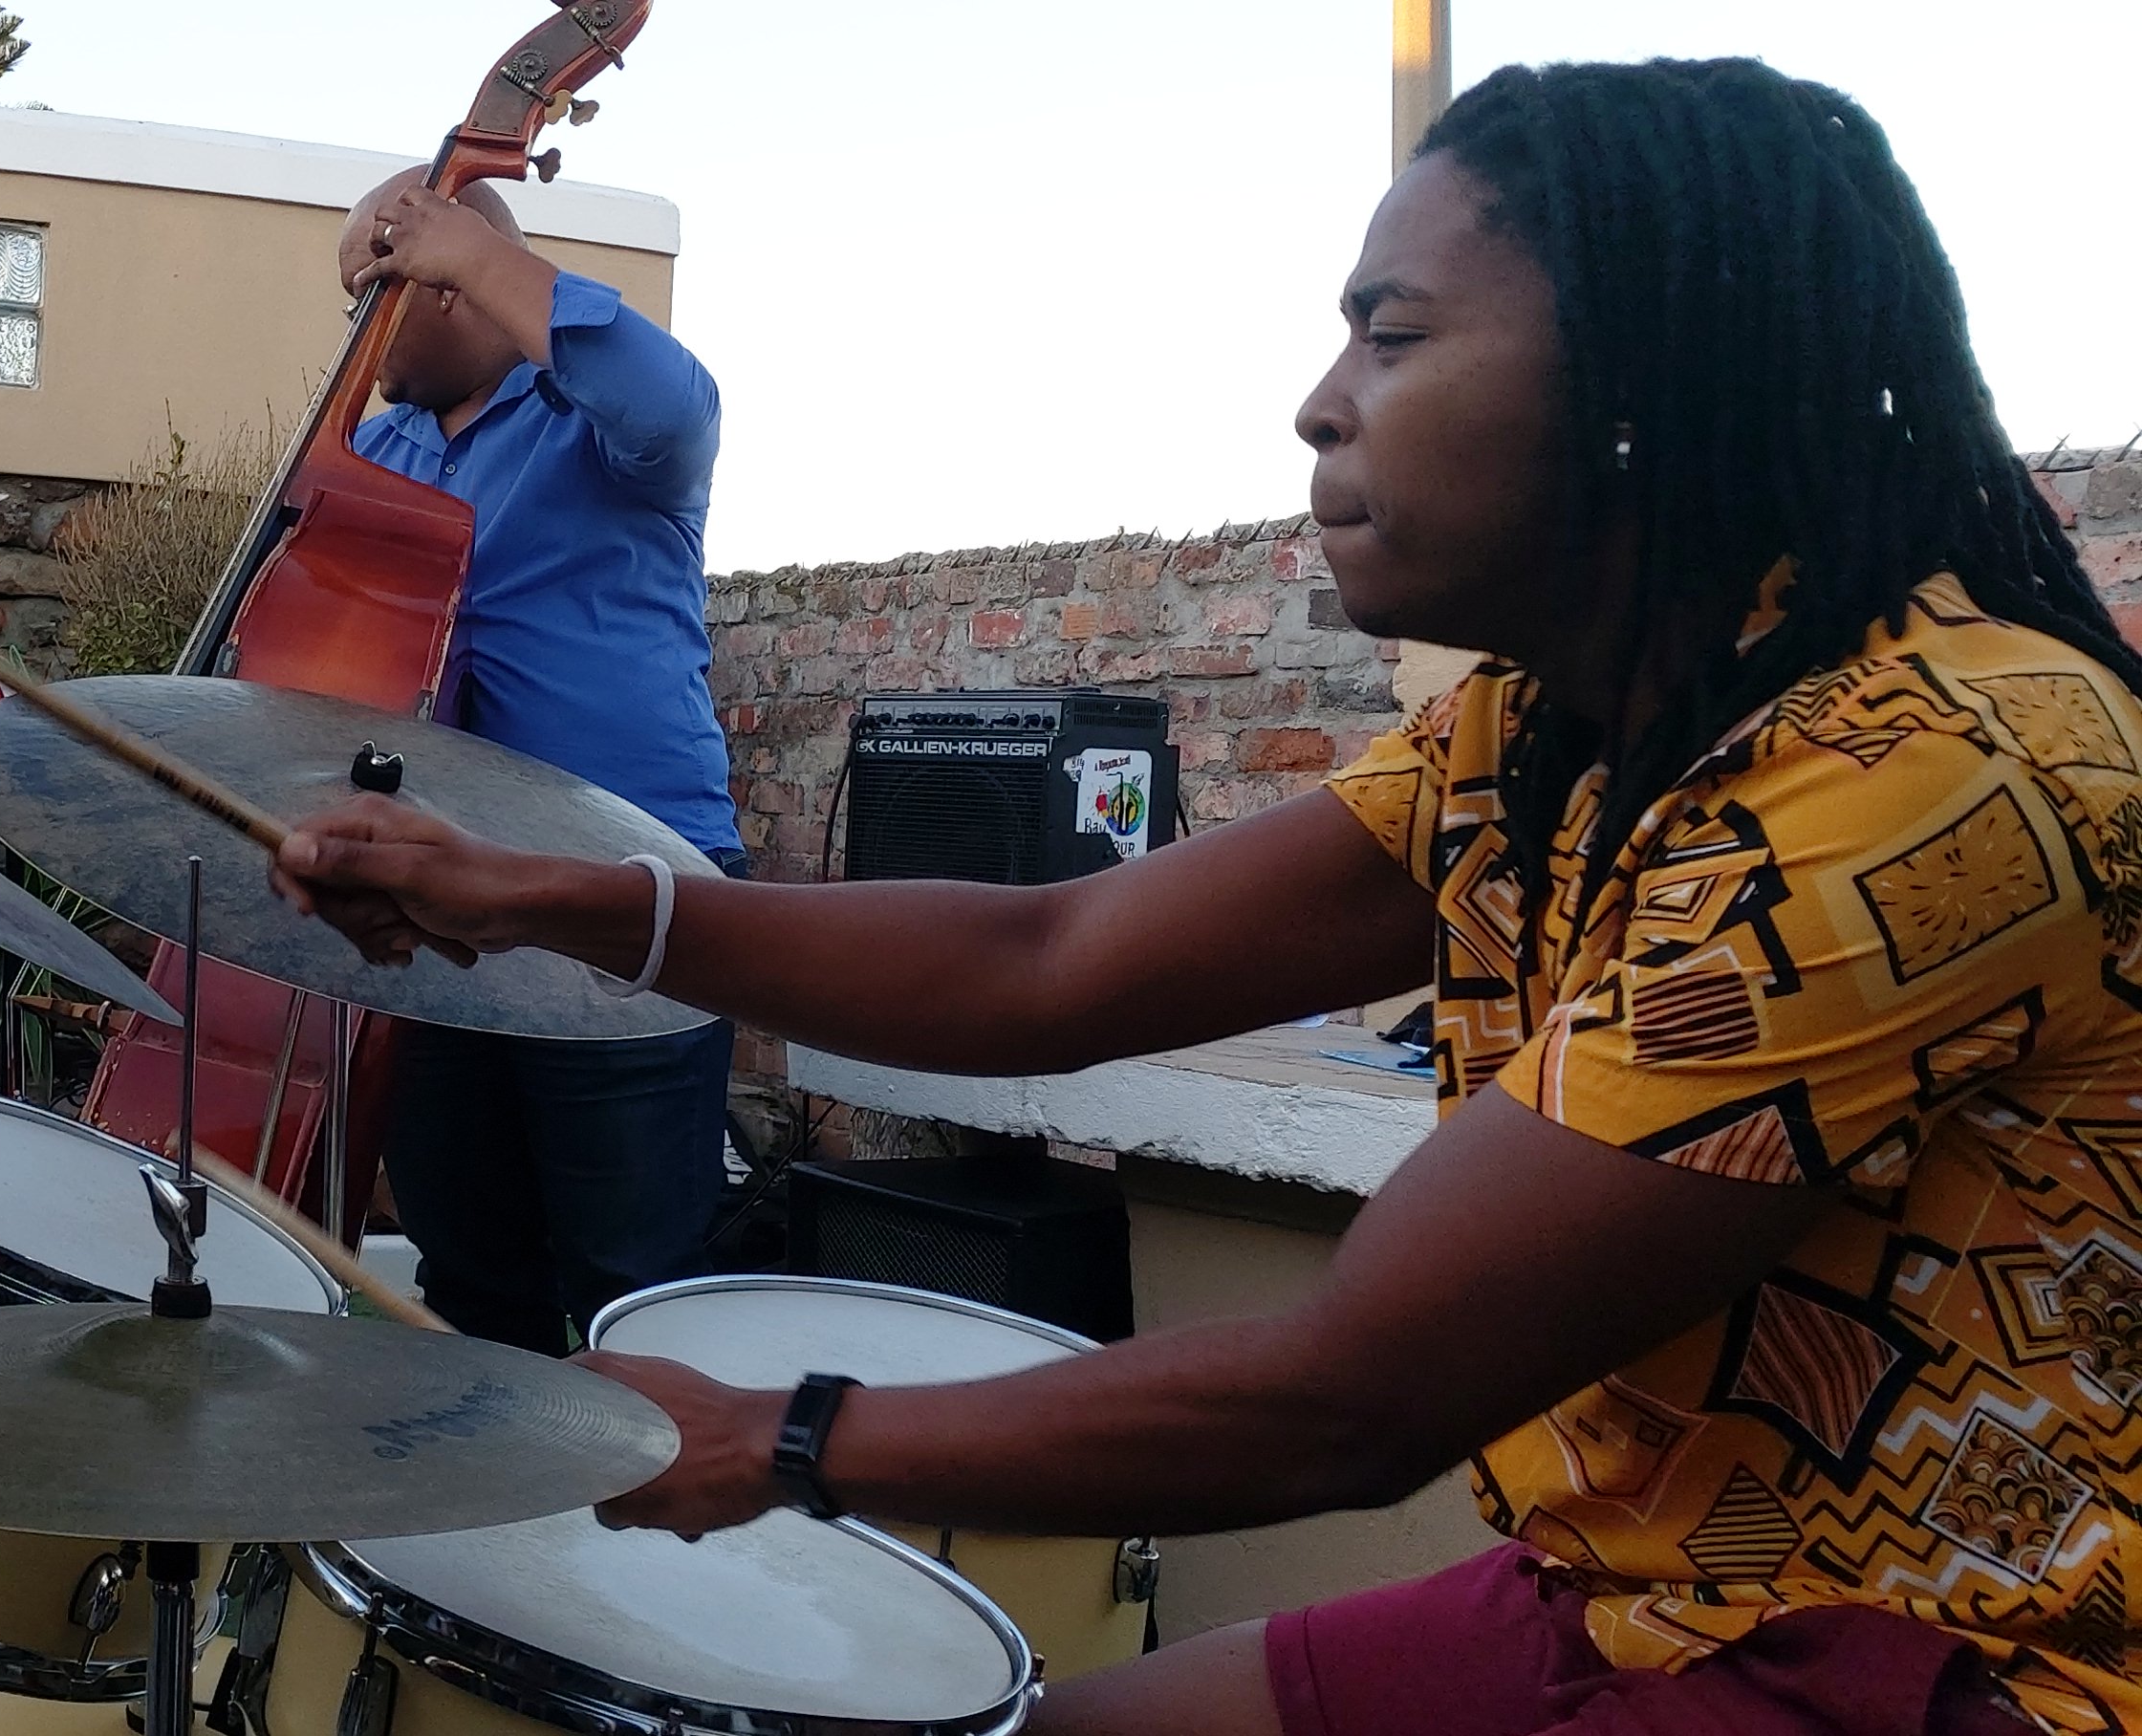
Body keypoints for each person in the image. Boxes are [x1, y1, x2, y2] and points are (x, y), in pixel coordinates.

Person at [277, 59, 2142, 1736]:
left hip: (1958, 1670)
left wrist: (783, 1432)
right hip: (1654, 1597)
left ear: (1648, 380)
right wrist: (552, 899)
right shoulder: (1550, 725)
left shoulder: (1931, 762)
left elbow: (1356, 1392)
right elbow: (1054, 955)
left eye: (1395, 338)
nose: (1321, 406)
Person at [326, 166, 742, 1355]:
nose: (356, 328)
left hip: (632, 895)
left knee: (638, 1283)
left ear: (450, 286)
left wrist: (468, 246)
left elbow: (673, 403)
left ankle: (658, 1540)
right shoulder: (375, 455)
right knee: (474, 1273)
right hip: (449, 911)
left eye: (376, 291)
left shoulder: (604, 433)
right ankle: (491, 1530)